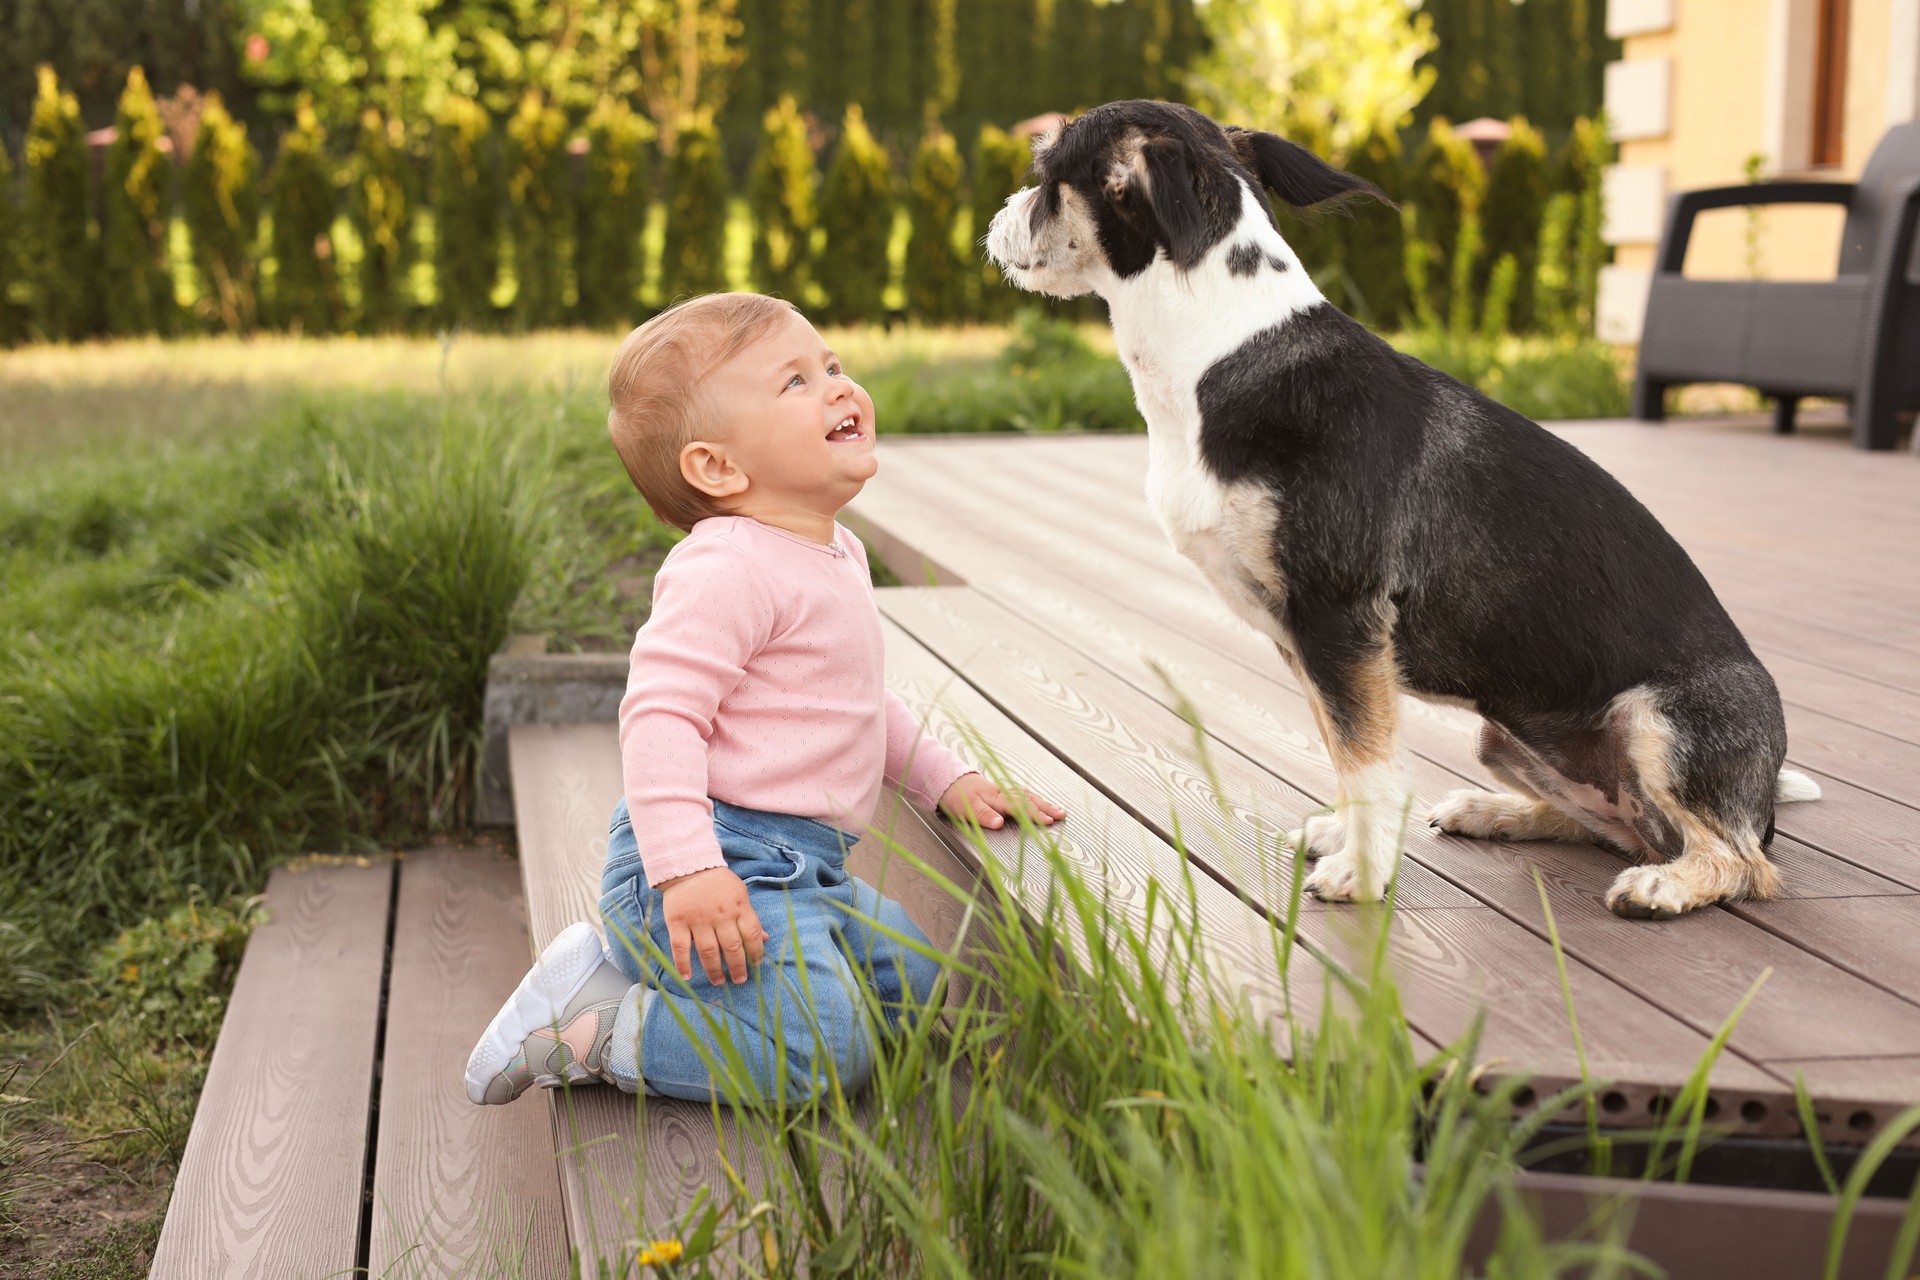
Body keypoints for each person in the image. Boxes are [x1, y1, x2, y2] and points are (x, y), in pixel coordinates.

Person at [465, 293, 1064, 1106]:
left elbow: (853, 703)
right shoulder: (727, 566)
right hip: (716, 861)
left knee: (916, 996)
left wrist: (945, 781)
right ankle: (591, 1027)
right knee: (817, 1056)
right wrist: (687, 872)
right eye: (795, 383)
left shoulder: (830, 550)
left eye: (832, 366)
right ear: (717, 467)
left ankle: (743, 1014)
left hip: (804, 866)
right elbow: (659, 718)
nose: (837, 387)